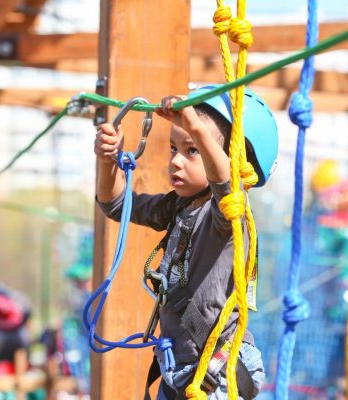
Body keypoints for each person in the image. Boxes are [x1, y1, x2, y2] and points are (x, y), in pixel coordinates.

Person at [94, 85, 278, 399]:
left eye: (192, 150)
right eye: (173, 148)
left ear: (234, 159)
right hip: (180, 366)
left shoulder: (228, 214)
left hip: (218, 369)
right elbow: (115, 204)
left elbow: (226, 187)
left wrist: (195, 124)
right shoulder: (178, 206)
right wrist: (107, 161)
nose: (177, 161)